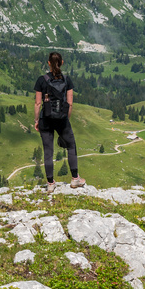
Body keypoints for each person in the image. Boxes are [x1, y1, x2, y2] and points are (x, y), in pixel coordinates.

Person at [34, 51, 85, 194]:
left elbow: (38, 103)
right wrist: (65, 119)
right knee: (71, 146)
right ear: (62, 63)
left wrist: (37, 120)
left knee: (48, 151)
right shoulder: (67, 80)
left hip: (46, 119)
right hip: (62, 119)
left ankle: (50, 183)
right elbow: (70, 103)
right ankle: (75, 178)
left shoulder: (41, 80)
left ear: (48, 63)